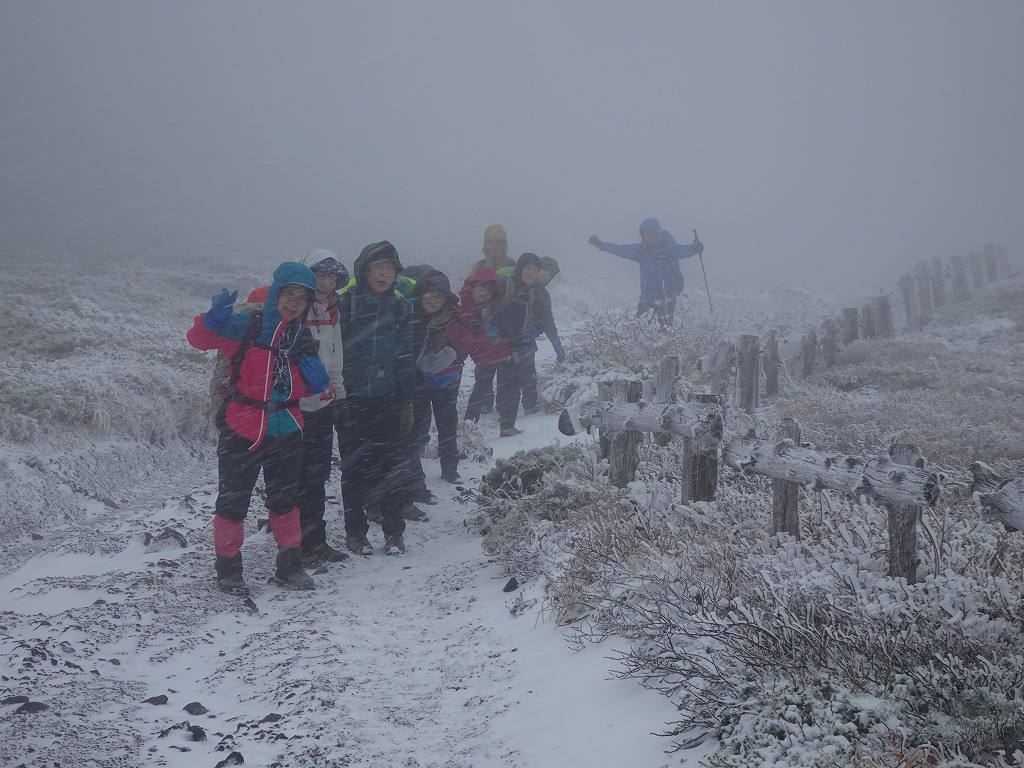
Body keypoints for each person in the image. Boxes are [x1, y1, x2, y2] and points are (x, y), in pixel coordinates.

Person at [187, 262, 331, 595]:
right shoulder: (248, 326)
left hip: (287, 427)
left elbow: (300, 387)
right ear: (276, 292)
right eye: (289, 294)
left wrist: (315, 383)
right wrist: (212, 319)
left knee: (285, 502)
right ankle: (228, 571)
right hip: (242, 427)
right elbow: (199, 340)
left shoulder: (301, 337)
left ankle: (289, 567)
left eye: (302, 298)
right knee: (232, 504)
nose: (294, 303)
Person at [336, 241, 416, 555]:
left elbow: (406, 356)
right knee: (353, 468)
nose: (384, 274)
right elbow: (333, 351)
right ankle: (356, 533)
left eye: (390, 268)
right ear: (364, 271)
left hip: (388, 397)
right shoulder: (346, 304)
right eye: (377, 268)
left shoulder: (401, 307)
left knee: (390, 466)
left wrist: (407, 401)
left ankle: (394, 533)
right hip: (352, 398)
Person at [297, 250, 350, 567]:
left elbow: (336, 355)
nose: (326, 282)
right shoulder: (294, 309)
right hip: (295, 407)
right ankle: (296, 545)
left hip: (323, 405)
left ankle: (316, 540)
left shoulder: (332, 311)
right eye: (320, 275)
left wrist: (339, 396)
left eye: (332, 277)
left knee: (317, 476)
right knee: (296, 477)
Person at [407, 268, 474, 491]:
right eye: (431, 292)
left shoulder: (455, 316)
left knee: (447, 426)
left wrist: (451, 356)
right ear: (421, 292)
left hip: (447, 381)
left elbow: (466, 342)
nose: (435, 298)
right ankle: (415, 477)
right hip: (419, 383)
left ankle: (450, 469)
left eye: (440, 294)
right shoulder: (411, 315)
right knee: (418, 429)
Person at [588, 217, 703, 326]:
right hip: (646, 299)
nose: (649, 236)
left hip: (665, 299)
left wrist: (694, 248)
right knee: (640, 331)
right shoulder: (640, 250)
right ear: (642, 235)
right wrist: (601, 245)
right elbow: (620, 249)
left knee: (663, 332)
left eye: (652, 233)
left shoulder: (668, 250)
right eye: (646, 233)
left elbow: (682, 250)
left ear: (657, 233)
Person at [489, 252, 547, 437]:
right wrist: (495, 334)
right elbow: (492, 311)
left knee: (515, 384)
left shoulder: (535, 291)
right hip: (502, 343)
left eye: (535, 270)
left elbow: (542, 317)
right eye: (528, 268)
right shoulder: (506, 286)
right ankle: (497, 423)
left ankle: (508, 425)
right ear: (520, 267)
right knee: (503, 383)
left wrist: (533, 331)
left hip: (522, 344)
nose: (531, 273)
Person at [459, 267, 511, 422]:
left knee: (483, 381)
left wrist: (505, 347)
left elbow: (480, 355)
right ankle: (469, 423)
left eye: (489, 291)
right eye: (482, 286)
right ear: (473, 286)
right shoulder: (456, 310)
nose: (484, 292)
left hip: (451, 371)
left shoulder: (477, 316)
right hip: (436, 369)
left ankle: (469, 424)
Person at [521, 255, 565, 415]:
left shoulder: (543, 295)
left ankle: (529, 406)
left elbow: (548, 321)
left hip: (526, 340)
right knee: (503, 373)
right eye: (546, 270)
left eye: (551, 274)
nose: (547, 275)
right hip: (507, 337)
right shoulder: (519, 285)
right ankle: (488, 407)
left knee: (528, 373)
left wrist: (557, 345)